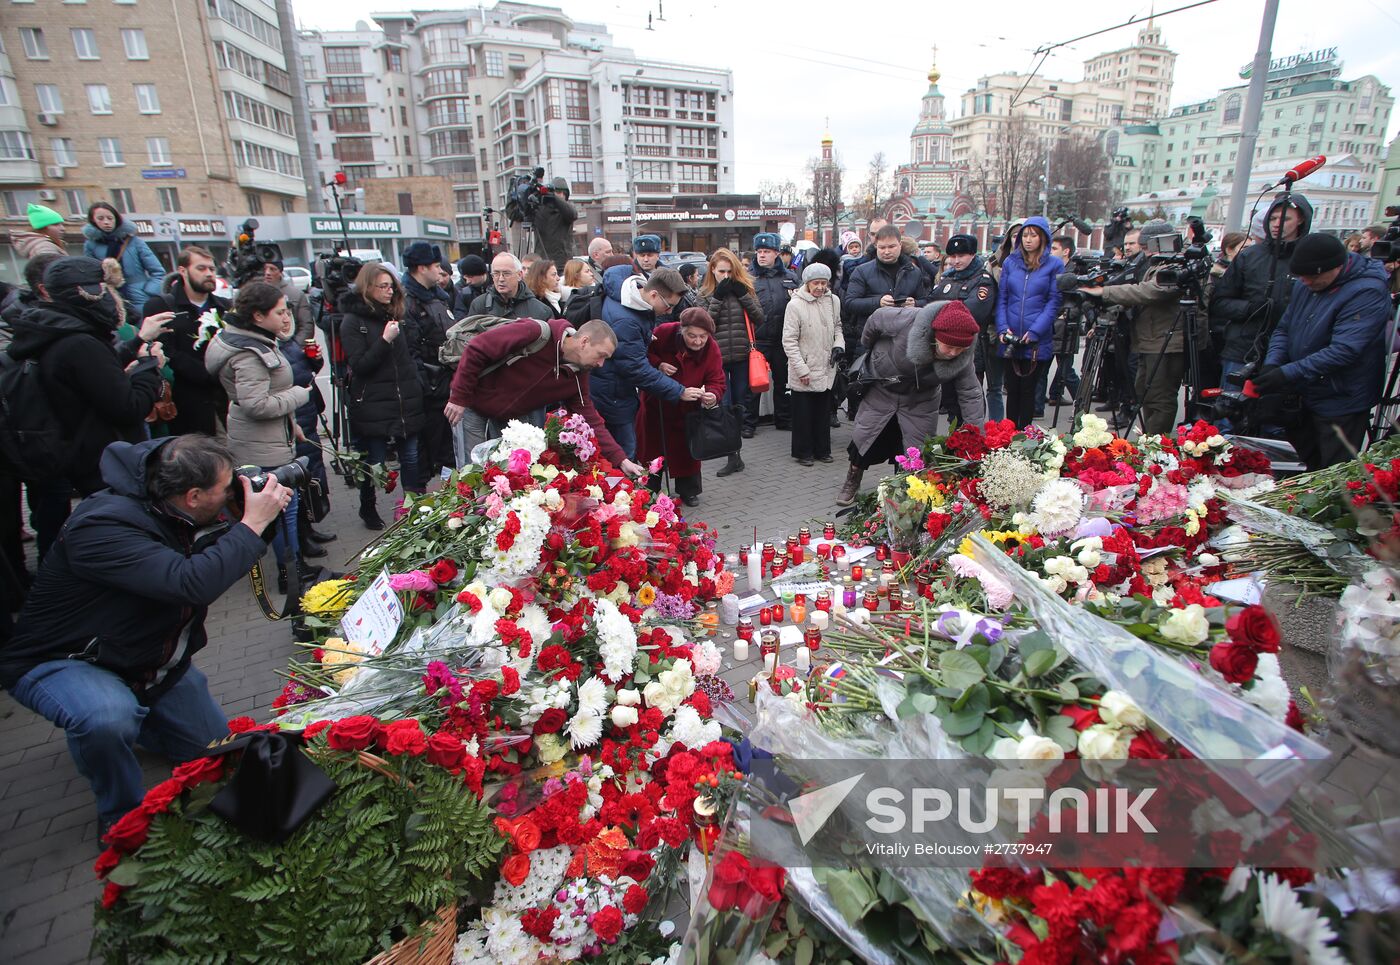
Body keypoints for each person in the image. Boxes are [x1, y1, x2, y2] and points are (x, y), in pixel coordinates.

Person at [0, 433, 288, 832]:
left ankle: (144, 721)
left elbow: (220, 557)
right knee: (105, 718)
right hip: (68, 660)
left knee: (216, 756)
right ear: (192, 496)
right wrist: (253, 522)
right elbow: (191, 583)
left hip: (146, 660)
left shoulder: (173, 509)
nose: (231, 494)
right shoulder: (102, 525)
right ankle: (121, 818)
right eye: (225, 489)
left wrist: (256, 522)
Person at [7, 257, 164, 505]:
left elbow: (95, 373)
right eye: (107, 289)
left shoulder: (58, 330)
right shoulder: (80, 344)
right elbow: (128, 407)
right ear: (89, 294)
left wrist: (133, 348)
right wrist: (149, 368)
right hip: (104, 461)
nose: (114, 298)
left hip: (84, 454)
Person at [204, 281, 318, 594]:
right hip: (260, 445)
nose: (286, 318)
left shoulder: (256, 340)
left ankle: (294, 566)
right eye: (279, 312)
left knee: (284, 509)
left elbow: (266, 393)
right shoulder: (249, 353)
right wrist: (298, 397)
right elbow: (256, 403)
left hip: (269, 436)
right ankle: (290, 575)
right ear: (257, 316)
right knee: (283, 510)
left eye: (288, 311)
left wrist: (291, 422)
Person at [1251, 234, 1391, 470]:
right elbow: (1285, 328)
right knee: (1301, 466)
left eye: (1311, 276)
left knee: (1332, 472)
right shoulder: (1309, 283)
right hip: (1305, 390)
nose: (1305, 282)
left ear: (1336, 267)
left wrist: (1287, 373)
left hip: (1341, 398)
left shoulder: (1367, 291)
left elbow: (1344, 351)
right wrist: (1273, 364)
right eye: (1300, 276)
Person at [444, 317, 642, 475]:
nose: (601, 364)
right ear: (584, 341)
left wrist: (621, 459)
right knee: (471, 469)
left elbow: (591, 420)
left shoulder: (578, 375)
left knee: (509, 470)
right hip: (471, 398)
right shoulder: (536, 332)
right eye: (601, 355)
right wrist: (459, 397)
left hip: (511, 416)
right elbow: (478, 347)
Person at [838, 301, 984, 505]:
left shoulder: (962, 355)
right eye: (949, 346)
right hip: (883, 388)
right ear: (936, 336)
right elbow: (876, 318)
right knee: (866, 439)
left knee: (913, 449)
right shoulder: (907, 320)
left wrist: (976, 435)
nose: (953, 353)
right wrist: (872, 350)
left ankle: (904, 490)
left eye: (959, 349)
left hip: (920, 400)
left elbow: (970, 393)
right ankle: (853, 478)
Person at [339, 264, 426, 530]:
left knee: (410, 458)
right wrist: (385, 340)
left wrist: (415, 386)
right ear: (368, 288)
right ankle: (368, 507)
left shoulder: (396, 316)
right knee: (374, 463)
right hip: (373, 404)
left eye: (392, 286)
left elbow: (407, 360)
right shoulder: (354, 322)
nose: (389, 291)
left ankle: (413, 508)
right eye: (383, 286)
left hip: (404, 401)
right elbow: (360, 365)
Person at [1081, 221, 1186, 436]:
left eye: (1145, 245)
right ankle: (1150, 436)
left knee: (1159, 396)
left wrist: (1105, 292)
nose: (1143, 250)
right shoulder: (1151, 263)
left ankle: (1156, 442)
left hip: (1166, 340)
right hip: (1149, 339)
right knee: (1145, 392)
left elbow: (1149, 291)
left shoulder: (1176, 265)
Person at [1210, 194, 1313, 394]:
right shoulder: (1249, 256)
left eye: (1285, 219)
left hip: (1289, 352)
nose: (1277, 224)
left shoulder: (1308, 256)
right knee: (1230, 412)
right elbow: (1219, 302)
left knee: (1274, 418)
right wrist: (1250, 308)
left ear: (1300, 219)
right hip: (1243, 348)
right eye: (1272, 219)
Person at [593, 266, 689, 459]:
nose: (669, 311)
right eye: (668, 305)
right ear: (653, 294)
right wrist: (679, 391)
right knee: (624, 453)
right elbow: (635, 368)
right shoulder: (626, 320)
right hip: (613, 393)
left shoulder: (628, 297)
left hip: (611, 387)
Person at [635, 307, 723, 507]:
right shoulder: (664, 333)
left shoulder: (712, 349)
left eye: (703, 337)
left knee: (687, 452)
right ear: (682, 330)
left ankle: (689, 491)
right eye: (692, 335)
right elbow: (641, 355)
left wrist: (712, 395)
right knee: (653, 451)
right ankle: (650, 490)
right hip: (656, 405)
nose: (697, 341)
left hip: (688, 411)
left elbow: (717, 380)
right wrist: (658, 364)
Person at [144, 246, 231, 438]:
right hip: (187, 404)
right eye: (201, 268)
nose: (209, 274)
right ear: (183, 271)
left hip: (227, 398)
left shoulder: (225, 307)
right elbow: (167, 353)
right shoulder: (162, 306)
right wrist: (208, 374)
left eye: (212, 269)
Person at [994, 217, 1063, 429]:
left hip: (1035, 341)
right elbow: (1002, 298)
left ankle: (1025, 435)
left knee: (1028, 391)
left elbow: (1054, 302)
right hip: (1011, 337)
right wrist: (1002, 328)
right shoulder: (1010, 263)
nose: (1028, 240)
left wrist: (1035, 331)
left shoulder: (1054, 264)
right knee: (1012, 390)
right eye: (1025, 235)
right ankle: (1009, 435)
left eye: (1033, 235)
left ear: (1042, 237)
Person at [699, 248, 765, 460]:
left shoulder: (744, 289)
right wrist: (717, 298)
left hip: (741, 356)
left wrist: (743, 295)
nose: (726, 276)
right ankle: (731, 453)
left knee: (739, 404)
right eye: (721, 271)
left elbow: (759, 317)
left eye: (729, 271)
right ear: (712, 270)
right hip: (716, 359)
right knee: (723, 405)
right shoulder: (704, 294)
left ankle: (735, 454)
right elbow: (704, 326)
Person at [399, 242, 456, 480]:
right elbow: (411, 352)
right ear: (421, 268)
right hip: (428, 390)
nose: (440, 271)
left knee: (448, 453)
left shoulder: (438, 297)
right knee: (422, 457)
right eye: (435, 266)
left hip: (444, 383)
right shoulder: (407, 302)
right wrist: (427, 385)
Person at [931, 234, 999, 423]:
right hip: (945, 348)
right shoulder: (948, 279)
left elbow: (972, 312)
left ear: (972, 254)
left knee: (969, 398)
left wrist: (940, 313)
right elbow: (930, 304)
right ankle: (955, 436)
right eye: (952, 256)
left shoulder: (982, 280)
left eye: (961, 256)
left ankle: (972, 437)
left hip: (970, 348)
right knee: (950, 398)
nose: (956, 261)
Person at [782, 263, 844, 467]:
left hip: (826, 365)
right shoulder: (795, 305)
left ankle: (822, 449)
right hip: (805, 366)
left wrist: (839, 345)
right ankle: (804, 452)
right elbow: (789, 341)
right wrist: (801, 369)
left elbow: (838, 327)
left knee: (822, 411)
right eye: (816, 283)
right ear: (807, 283)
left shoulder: (833, 300)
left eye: (823, 283)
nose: (820, 287)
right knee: (803, 414)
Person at [749, 233, 800, 430]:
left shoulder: (790, 277)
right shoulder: (749, 277)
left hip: (782, 339)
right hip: (758, 338)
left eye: (767, 251)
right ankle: (749, 423)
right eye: (759, 251)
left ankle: (783, 419)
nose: (762, 255)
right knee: (755, 383)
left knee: (782, 381)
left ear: (776, 253)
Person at [83, 202, 165, 316]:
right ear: (93, 221)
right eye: (100, 218)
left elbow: (158, 271)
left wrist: (149, 291)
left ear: (117, 219)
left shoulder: (134, 241)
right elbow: (90, 274)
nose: (106, 222)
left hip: (140, 296)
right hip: (111, 297)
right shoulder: (91, 245)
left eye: (110, 218)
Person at [1038, 235, 1082, 413]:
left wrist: (1064, 315)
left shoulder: (1074, 273)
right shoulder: (1049, 270)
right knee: (1041, 369)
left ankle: (1081, 404)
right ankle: (1037, 406)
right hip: (1050, 326)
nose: (1050, 252)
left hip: (1066, 329)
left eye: (1054, 248)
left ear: (1066, 251)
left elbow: (1079, 302)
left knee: (1066, 370)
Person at [468, 253, 553, 321]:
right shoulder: (479, 305)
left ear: (519, 275)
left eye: (507, 273)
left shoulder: (541, 310)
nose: (501, 279)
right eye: (496, 273)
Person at [262, 260, 315, 344]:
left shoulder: (296, 294)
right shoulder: (255, 294)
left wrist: (294, 347)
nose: (267, 273)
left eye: (272, 269)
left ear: (280, 272)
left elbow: (306, 326)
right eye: (264, 269)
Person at [534, 177, 578, 271]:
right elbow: (517, 214)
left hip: (562, 265)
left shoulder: (567, 212)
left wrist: (554, 198)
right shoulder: (540, 210)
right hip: (542, 265)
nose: (561, 195)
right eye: (557, 192)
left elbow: (572, 214)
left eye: (563, 193)